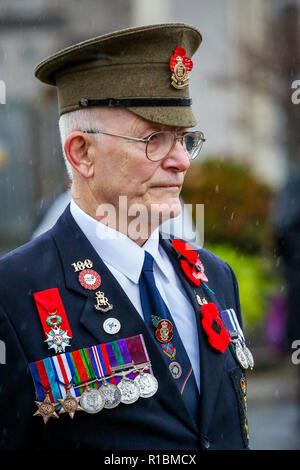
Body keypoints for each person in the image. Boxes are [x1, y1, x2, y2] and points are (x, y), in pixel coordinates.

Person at [0, 23, 251, 450]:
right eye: (154, 138)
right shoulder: (12, 292)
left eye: (185, 139)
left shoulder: (214, 276)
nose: (180, 162)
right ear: (82, 153)